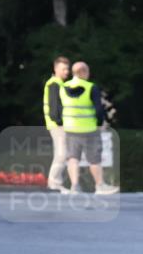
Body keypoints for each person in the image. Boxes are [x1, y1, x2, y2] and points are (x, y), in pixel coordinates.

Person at [48, 61, 119, 195]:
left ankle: (75, 186)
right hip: (89, 129)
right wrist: (99, 123)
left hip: (70, 129)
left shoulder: (63, 87)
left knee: (73, 158)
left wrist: (61, 122)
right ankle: (100, 185)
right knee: (94, 159)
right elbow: (98, 110)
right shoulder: (91, 87)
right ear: (85, 72)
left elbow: (56, 109)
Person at [43, 56, 71, 191]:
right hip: (58, 125)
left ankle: (55, 184)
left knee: (62, 154)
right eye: (63, 69)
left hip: (57, 124)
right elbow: (54, 107)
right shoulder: (54, 83)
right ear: (55, 69)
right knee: (61, 154)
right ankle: (54, 184)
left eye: (67, 69)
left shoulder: (58, 83)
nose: (67, 71)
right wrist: (60, 122)